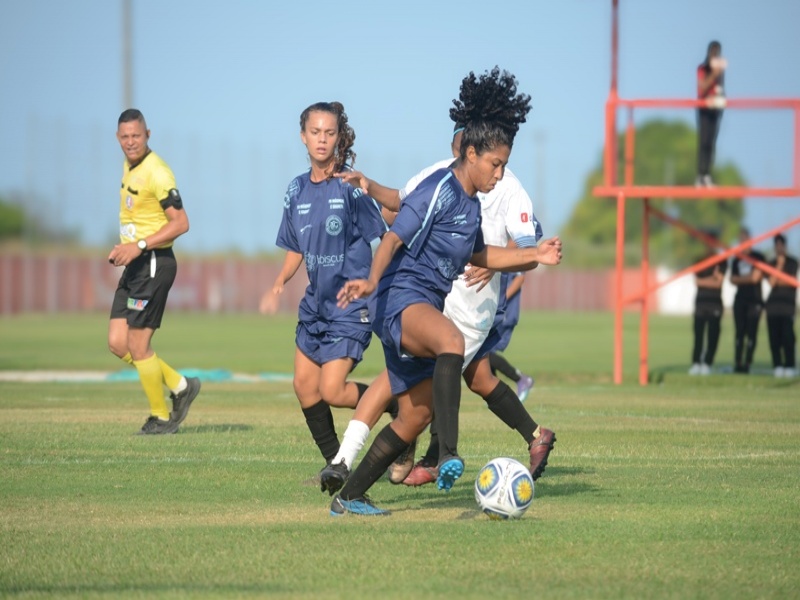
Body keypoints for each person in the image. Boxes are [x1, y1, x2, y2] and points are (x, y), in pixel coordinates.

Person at [328, 67, 562, 516]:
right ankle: (449, 454)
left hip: (420, 305)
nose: (500, 173)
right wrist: (374, 279)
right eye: (495, 163)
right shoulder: (439, 189)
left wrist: (536, 257)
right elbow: (394, 237)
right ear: (470, 153)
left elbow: (482, 256)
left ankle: (348, 498)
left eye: (505, 165)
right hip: (400, 297)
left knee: (415, 415)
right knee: (451, 341)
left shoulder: (472, 207)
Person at [261, 101, 395, 483]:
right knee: (304, 387)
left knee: (332, 390)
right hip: (315, 307)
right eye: (315, 132)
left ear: (339, 137)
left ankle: (394, 405)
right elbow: (295, 248)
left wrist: (379, 284)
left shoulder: (350, 187)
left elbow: (382, 239)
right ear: (303, 137)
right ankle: (335, 465)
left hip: (349, 306)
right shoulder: (296, 190)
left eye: (329, 132)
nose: (322, 139)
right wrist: (278, 282)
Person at [107, 108, 201, 434]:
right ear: (118, 138)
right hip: (135, 265)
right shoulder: (129, 165)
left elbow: (181, 223)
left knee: (138, 345)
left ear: (148, 134)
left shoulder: (157, 172)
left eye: (136, 135)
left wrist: (139, 246)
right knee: (119, 343)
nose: (131, 142)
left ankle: (161, 418)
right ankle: (180, 385)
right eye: (125, 136)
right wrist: (127, 248)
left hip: (153, 262)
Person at [487, 271, 535, 401]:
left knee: (484, 353)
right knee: (484, 354)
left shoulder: (513, 251)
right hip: (495, 311)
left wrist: (500, 298)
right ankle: (496, 396)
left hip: (505, 313)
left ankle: (521, 380)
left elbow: (519, 278)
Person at [729, 227, 766, 374]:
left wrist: (742, 279)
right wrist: (749, 278)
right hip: (740, 300)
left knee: (752, 333)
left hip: (755, 301)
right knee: (739, 333)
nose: (742, 243)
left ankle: (748, 363)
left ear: (750, 240)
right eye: (740, 240)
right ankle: (738, 362)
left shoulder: (759, 257)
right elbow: (732, 279)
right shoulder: (736, 259)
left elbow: (757, 277)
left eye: (744, 240)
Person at [689, 243, 726, 376]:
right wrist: (712, 278)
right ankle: (696, 362)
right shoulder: (699, 260)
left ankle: (707, 363)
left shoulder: (721, 261)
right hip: (701, 303)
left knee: (713, 335)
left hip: (715, 303)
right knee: (698, 335)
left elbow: (719, 283)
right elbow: (697, 282)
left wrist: (705, 281)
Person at [765, 234, 798, 378]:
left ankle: (789, 365)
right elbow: (772, 282)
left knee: (788, 337)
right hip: (773, 306)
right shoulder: (771, 263)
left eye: (781, 244)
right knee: (774, 338)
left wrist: (778, 278)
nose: (779, 247)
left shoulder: (793, 262)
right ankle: (777, 365)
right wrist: (778, 266)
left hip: (788, 306)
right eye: (776, 244)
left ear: (784, 245)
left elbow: (792, 282)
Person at [696, 40, 726, 187]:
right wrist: (714, 74)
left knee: (712, 143)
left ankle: (707, 175)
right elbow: (702, 88)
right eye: (713, 53)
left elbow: (720, 89)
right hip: (704, 108)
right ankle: (700, 175)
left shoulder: (721, 71)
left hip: (716, 109)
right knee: (704, 141)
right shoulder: (703, 69)